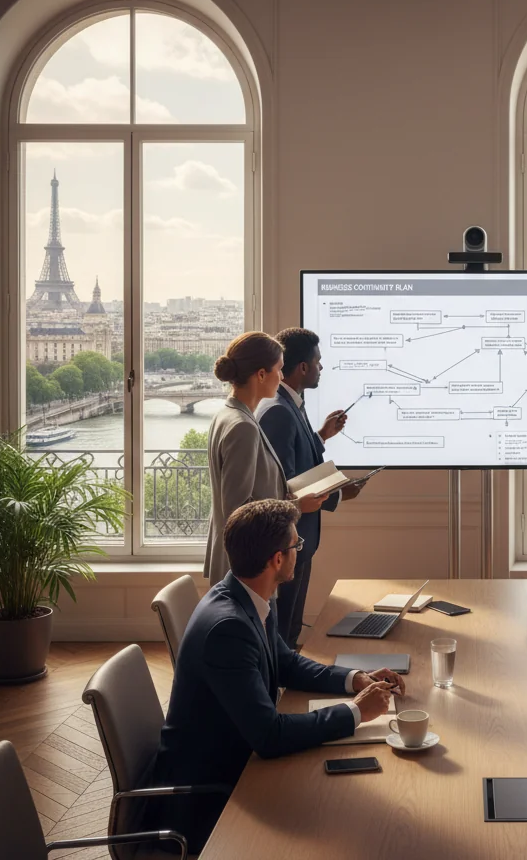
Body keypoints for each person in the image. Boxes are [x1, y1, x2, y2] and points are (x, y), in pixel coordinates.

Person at [150, 499, 404, 852]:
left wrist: (355, 678)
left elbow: (286, 663)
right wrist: (357, 712)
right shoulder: (229, 627)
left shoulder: (248, 596)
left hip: (238, 766)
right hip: (210, 797)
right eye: (296, 545)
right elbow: (269, 736)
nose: (300, 550)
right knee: (342, 824)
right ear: (278, 559)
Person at [257, 327, 364, 648]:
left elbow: (296, 461)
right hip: (290, 539)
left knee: (290, 626)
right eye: (318, 362)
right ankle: (280, 695)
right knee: (285, 630)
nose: (321, 368)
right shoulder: (279, 410)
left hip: (300, 538)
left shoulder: (291, 405)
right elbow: (286, 484)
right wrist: (339, 492)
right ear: (302, 367)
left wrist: (321, 435)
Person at [204, 331, 328, 585]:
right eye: (279, 370)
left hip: (242, 560)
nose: (282, 377)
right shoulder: (243, 426)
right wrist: (295, 507)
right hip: (249, 568)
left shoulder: (228, 415)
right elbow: (237, 510)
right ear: (261, 374)